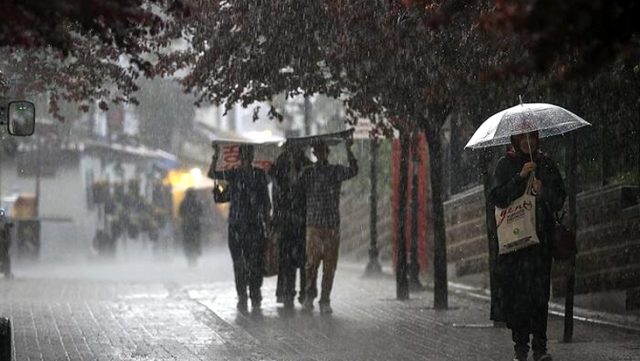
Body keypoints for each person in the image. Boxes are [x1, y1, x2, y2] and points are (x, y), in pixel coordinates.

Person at [489, 131, 566, 361]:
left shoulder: (545, 163)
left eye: (531, 137)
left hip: (540, 243)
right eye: (522, 137)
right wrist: (520, 178)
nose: (527, 141)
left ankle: (540, 348)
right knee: (519, 298)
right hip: (515, 245)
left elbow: (560, 198)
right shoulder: (505, 165)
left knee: (540, 296)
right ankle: (520, 348)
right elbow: (498, 197)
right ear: (515, 140)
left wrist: (544, 192)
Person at [298, 137, 358, 314]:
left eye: (323, 150)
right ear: (315, 153)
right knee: (311, 264)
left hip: (331, 225)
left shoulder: (335, 171)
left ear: (327, 152)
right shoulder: (308, 172)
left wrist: (349, 150)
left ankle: (325, 299)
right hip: (314, 224)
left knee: (329, 266)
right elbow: (295, 187)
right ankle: (309, 296)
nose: (320, 154)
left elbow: (354, 170)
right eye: (318, 151)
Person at [208, 144, 271, 313]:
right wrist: (215, 156)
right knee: (239, 264)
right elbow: (212, 174)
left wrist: (267, 221)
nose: (247, 157)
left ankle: (254, 294)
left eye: (249, 154)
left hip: (254, 226)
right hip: (237, 226)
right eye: (245, 154)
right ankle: (243, 295)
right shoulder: (234, 174)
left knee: (255, 263)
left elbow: (265, 201)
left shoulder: (259, 175)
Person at [270, 142, 313, 309]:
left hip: (301, 220)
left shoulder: (306, 165)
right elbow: (277, 190)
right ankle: (288, 292)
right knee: (287, 260)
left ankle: (304, 292)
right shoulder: (280, 164)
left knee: (303, 260)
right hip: (287, 221)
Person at [179, 188, 203, 267]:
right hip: (195, 226)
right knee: (195, 242)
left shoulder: (183, 202)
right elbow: (201, 212)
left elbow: (180, 213)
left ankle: (190, 259)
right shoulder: (197, 202)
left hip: (187, 226)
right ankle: (194, 259)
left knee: (188, 243)